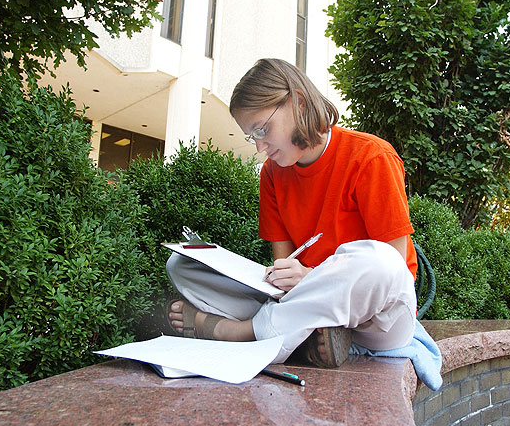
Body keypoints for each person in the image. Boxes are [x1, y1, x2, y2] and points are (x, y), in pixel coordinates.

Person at [165, 58, 418, 367]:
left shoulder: (371, 157)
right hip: (300, 303)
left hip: (379, 319)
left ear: (297, 102)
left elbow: (396, 266)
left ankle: (239, 331)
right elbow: (283, 267)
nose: (259, 147)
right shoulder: (273, 173)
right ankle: (311, 338)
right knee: (182, 264)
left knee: (378, 261)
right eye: (251, 136)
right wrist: (284, 276)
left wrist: (313, 278)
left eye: (262, 129)